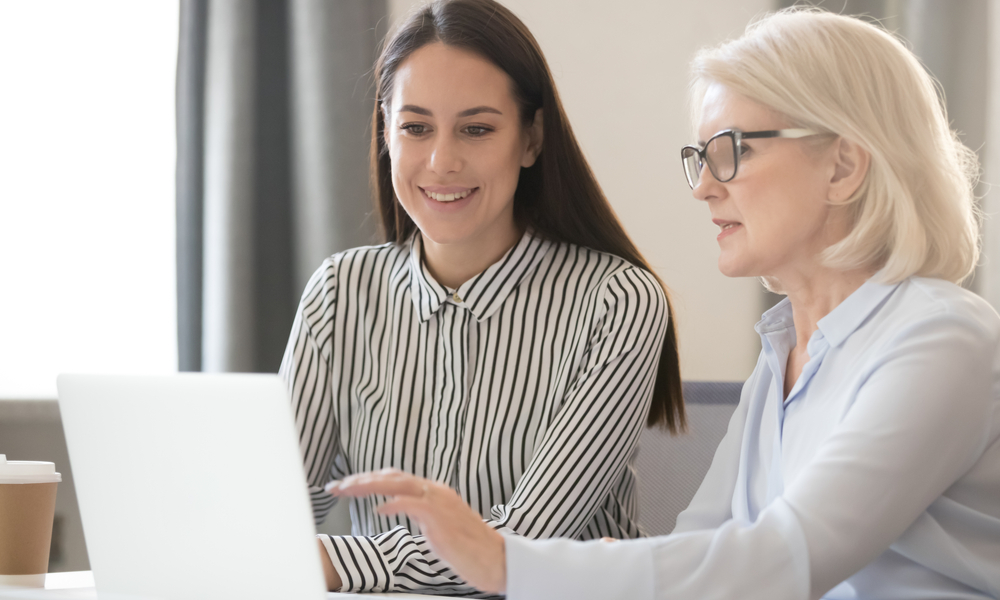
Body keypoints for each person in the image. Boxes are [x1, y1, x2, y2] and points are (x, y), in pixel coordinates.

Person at [328, 7, 1000, 599]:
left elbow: (783, 562)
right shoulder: (786, 356)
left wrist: (503, 560)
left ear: (843, 166)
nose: (703, 186)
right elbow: (699, 545)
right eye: (699, 156)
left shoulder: (941, 337)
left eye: (730, 151)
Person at [278, 0, 685, 594]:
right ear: (386, 134)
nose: (442, 161)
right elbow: (274, 515)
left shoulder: (616, 301)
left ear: (531, 139)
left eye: (477, 128)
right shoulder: (340, 293)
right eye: (415, 127)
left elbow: (516, 553)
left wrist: (338, 562)